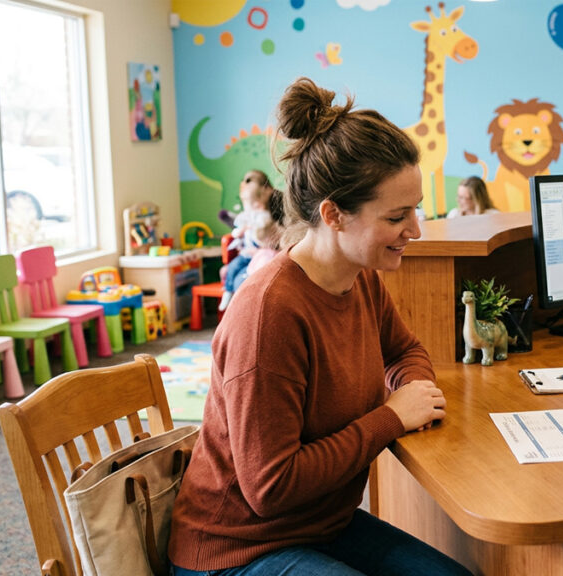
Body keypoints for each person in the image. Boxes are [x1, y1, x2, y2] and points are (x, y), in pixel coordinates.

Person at [168, 77, 470, 576]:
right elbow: (271, 487)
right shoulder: (269, 315)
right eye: (398, 215)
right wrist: (391, 418)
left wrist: (412, 387)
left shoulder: (361, 280)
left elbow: (405, 351)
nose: (415, 230)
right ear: (333, 214)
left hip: (320, 525)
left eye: (415, 210)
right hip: (235, 549)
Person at [219, 170, 275, 311]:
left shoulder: (265, 216)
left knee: (244, 280)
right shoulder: (248, 215)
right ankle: (228, 291)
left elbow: (267, 239)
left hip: (263, 253)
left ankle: (241, 305)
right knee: (230, 268)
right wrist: (241, 231)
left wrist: (258, 246)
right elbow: (237, 230)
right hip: (247, 253)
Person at [229, 187, 285, 294]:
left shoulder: (269, 225)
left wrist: (258, 251)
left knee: (239, 281)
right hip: (260, 258)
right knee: (235, 275)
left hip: (265, 261)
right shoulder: (261, 223)